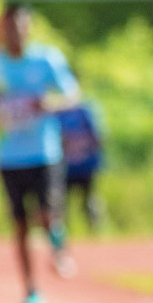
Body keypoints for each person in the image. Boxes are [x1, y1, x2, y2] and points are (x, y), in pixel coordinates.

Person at [0, 3, 81, 303]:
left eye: (20, 25)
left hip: (44, 152)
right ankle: (30, 290)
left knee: (47, 214)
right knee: (20, 226)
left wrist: (48, 104)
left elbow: (73, 95)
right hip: (9, 156)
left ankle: (57, 243)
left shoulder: (46, 59)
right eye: (9, 26)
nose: (15, 32)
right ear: (2, 28)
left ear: (29, 27)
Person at [57, 99, 105, 233]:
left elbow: (99, 137)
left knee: (89, 199)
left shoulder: (85, 110)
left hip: (85, 165)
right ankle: (62, 234)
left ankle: (95, 231)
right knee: (61, 202)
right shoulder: (56, 112)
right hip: (64, 167)